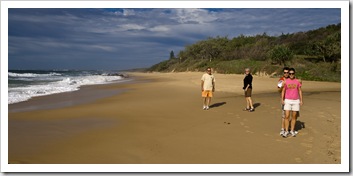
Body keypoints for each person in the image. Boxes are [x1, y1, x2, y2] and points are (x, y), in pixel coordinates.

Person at [281, 68, 303, 137]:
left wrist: (301, 100)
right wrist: (282, 99)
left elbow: (299, 90)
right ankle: (285, 130)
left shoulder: (297, 81)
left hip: (296, 101)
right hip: (287, 100)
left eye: (292, 73)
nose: (290, 75)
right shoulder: (284, 81)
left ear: (294, 74)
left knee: (294, 116)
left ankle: (292, 130)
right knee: (286, 116)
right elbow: (282, 90)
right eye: (289, 73)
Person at [278, 67, 290, 136]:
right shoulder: (281, 80)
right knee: (284, 115)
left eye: (287, 72)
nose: (286, 74)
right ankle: (283, 129)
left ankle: (288, 128)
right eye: (285, 72)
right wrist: (282, 86)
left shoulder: (291, 79)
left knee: (290, 115)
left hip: (291, 99)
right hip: (284, 99)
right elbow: (278, 90)